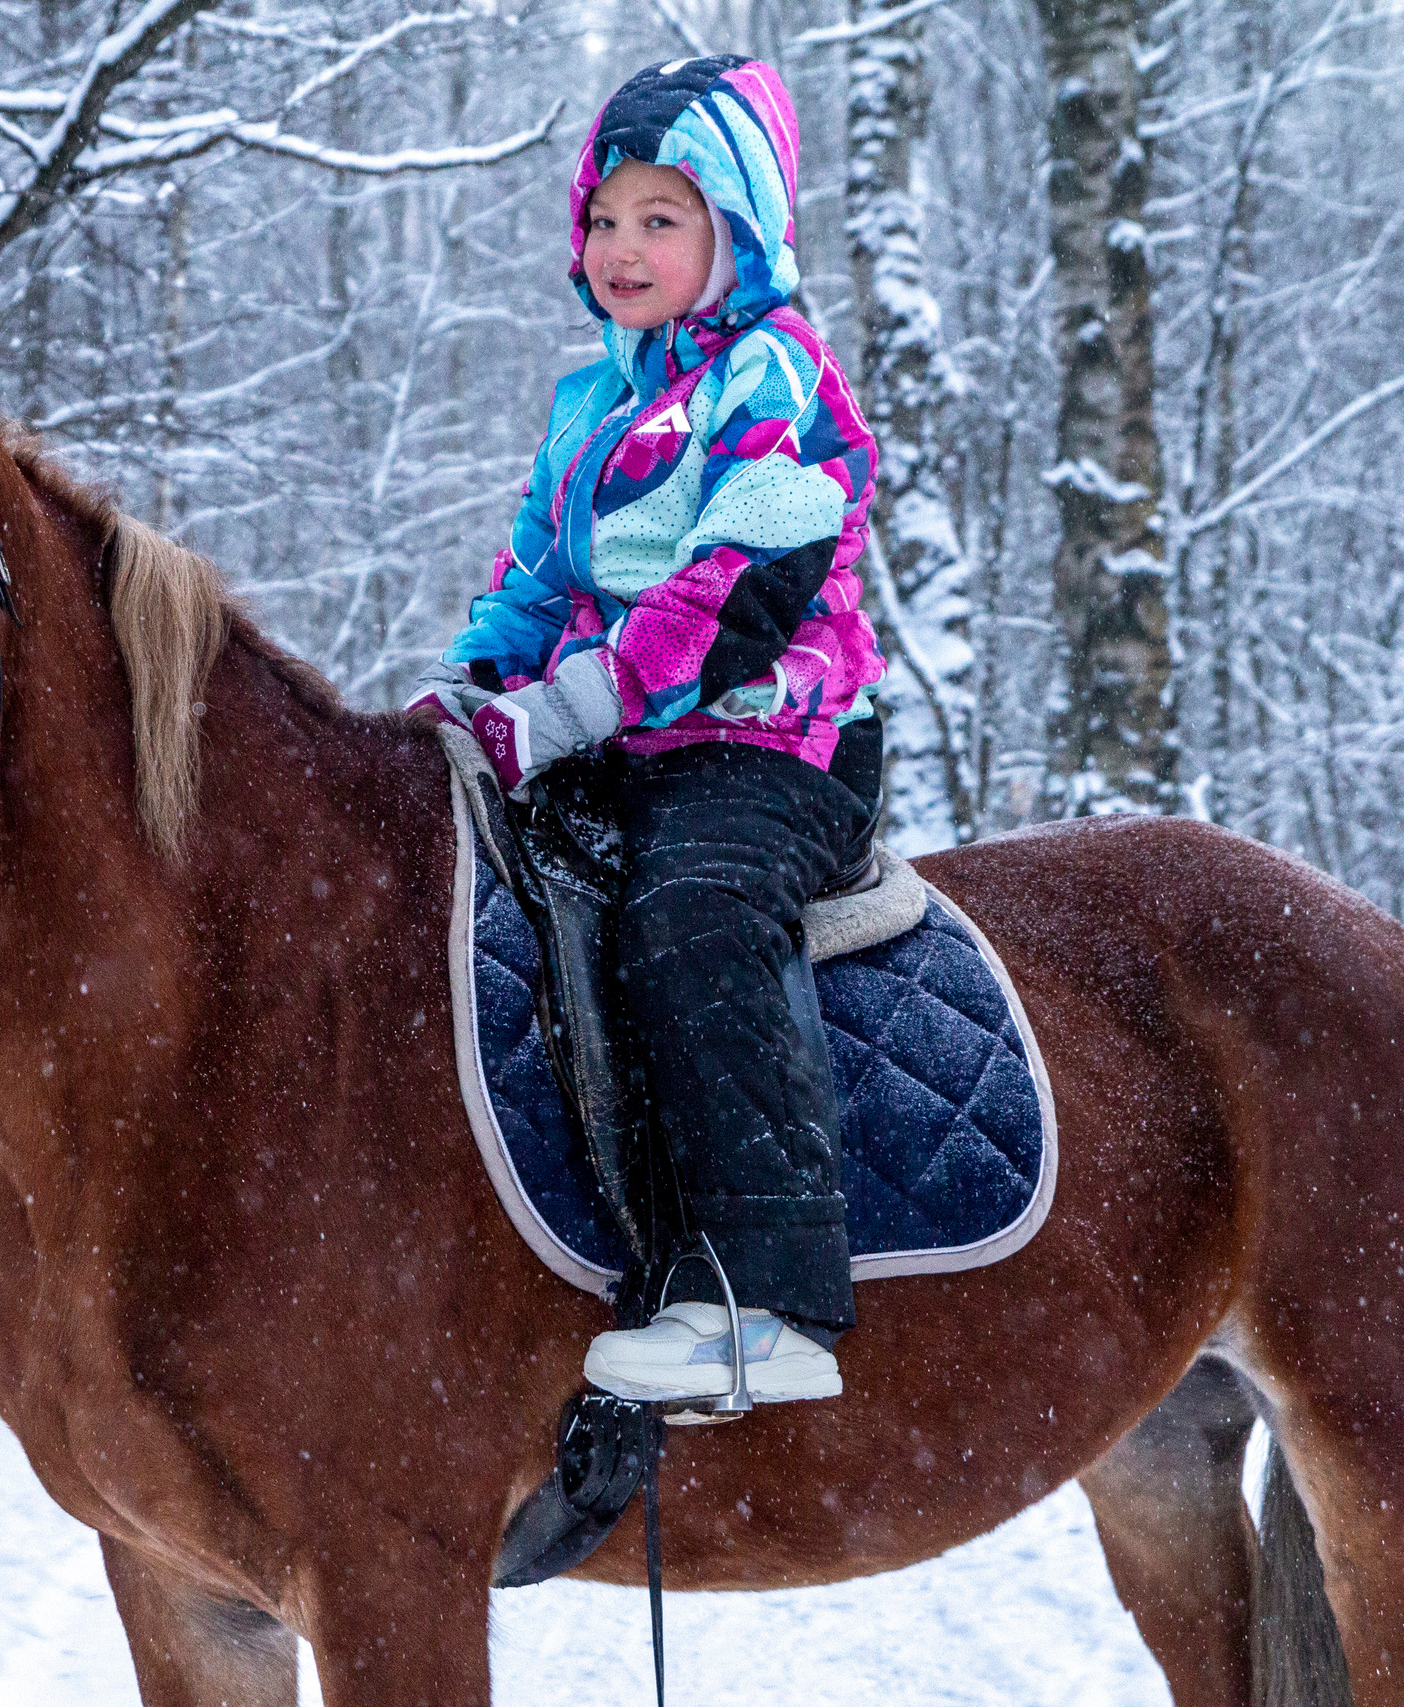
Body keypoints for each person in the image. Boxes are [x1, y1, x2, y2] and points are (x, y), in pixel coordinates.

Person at [407, 57, 883, 1406]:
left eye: (661, 218)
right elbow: (537, 584)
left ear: (736, 231)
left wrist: (563, 708)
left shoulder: (777, 380)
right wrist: (463, 687)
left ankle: (765, 1300)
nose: (623, 247)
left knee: (691, 910)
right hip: (616, 748)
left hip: (773, 746)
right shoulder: (596, 407)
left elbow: (729, 592)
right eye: (605, 218)